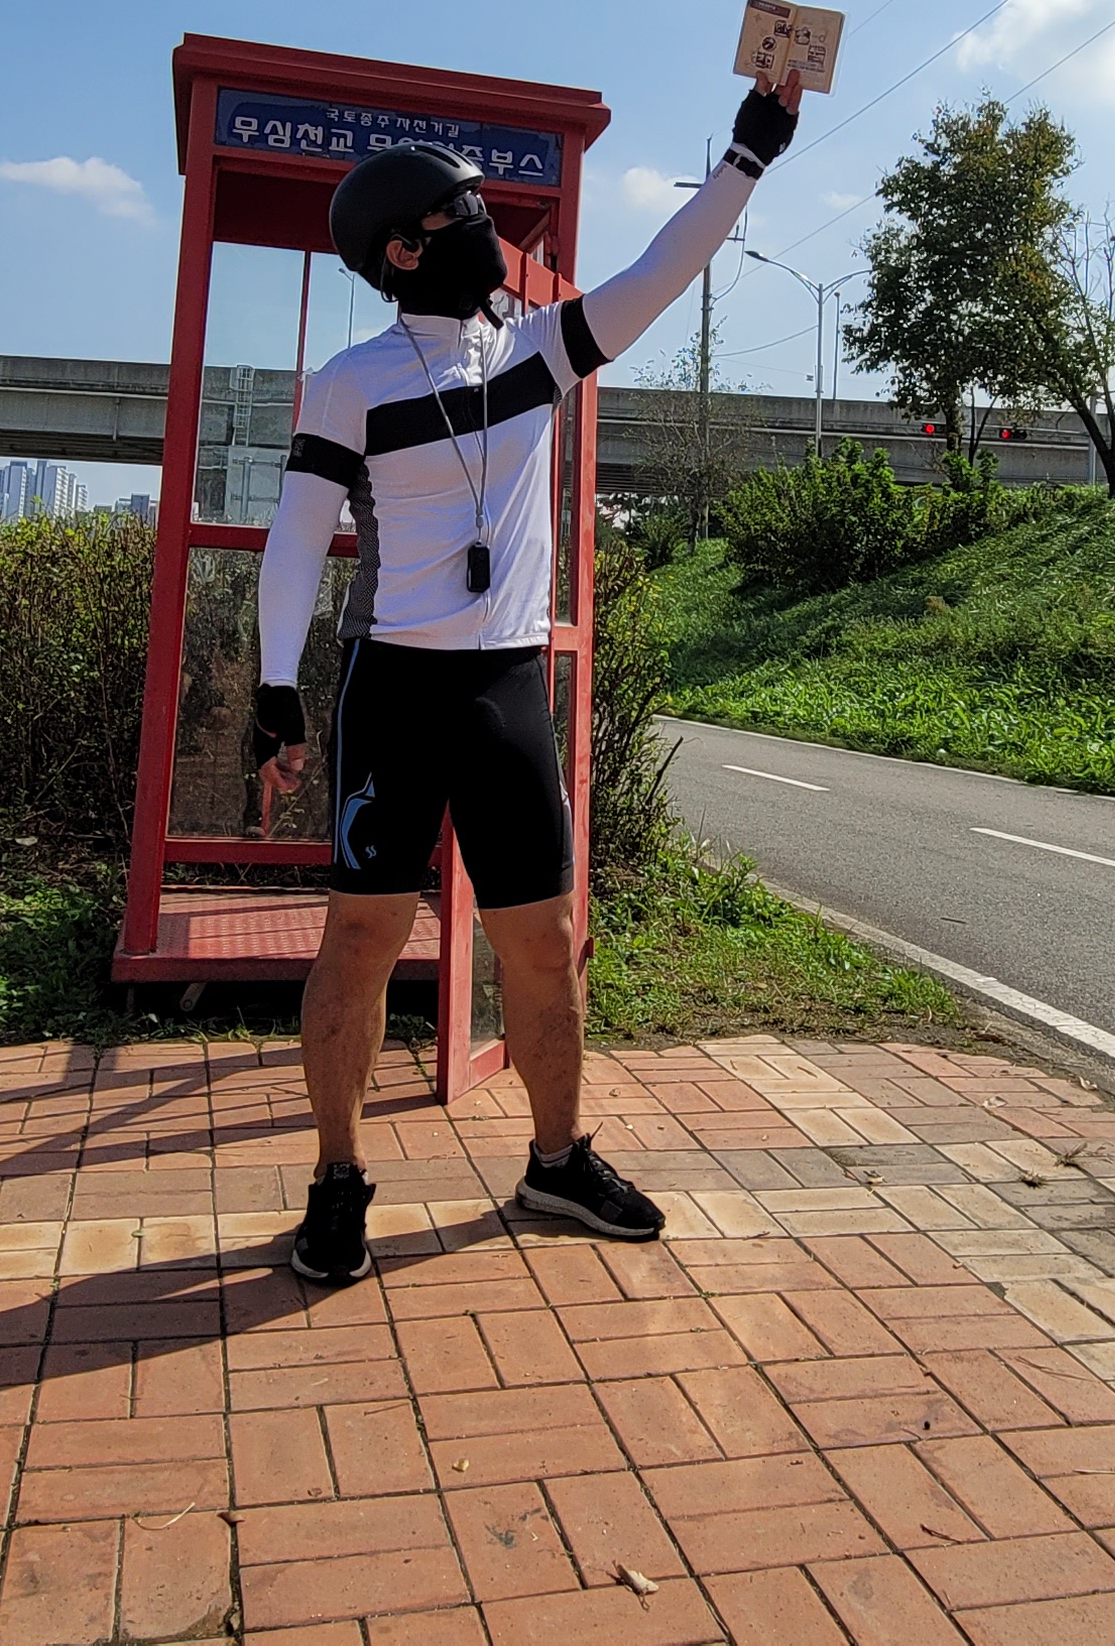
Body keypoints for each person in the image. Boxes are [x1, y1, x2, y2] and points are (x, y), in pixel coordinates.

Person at [249, 67, 800, 1283]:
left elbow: (660, 272)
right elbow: (295, 538)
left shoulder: (538, 350)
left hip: (504, 689)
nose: (486, 228)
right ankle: (336, 1183)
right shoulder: (351, 381)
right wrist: (276, 687)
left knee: (544, 941)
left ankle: (556, 1161)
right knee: (361, 940)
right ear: (403, 251)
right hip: (393, 686)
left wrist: (751, 152)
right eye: (462, 213)